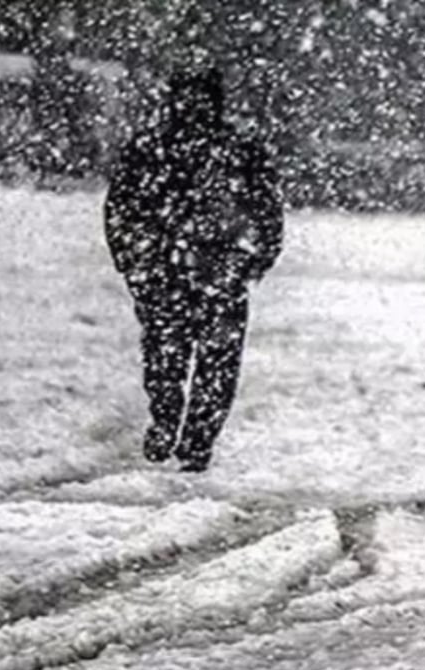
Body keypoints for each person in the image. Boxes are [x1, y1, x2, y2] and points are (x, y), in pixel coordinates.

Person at [104, 68, 283, 472]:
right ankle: (197, 440)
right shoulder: (239, 150)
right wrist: (255, 260)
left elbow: (119, 208)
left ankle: (167, 420)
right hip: (221, 269)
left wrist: (132, 259)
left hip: (164, 268)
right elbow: (267, 210)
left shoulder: (149, 148)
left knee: (165, 352)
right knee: (216, 361)